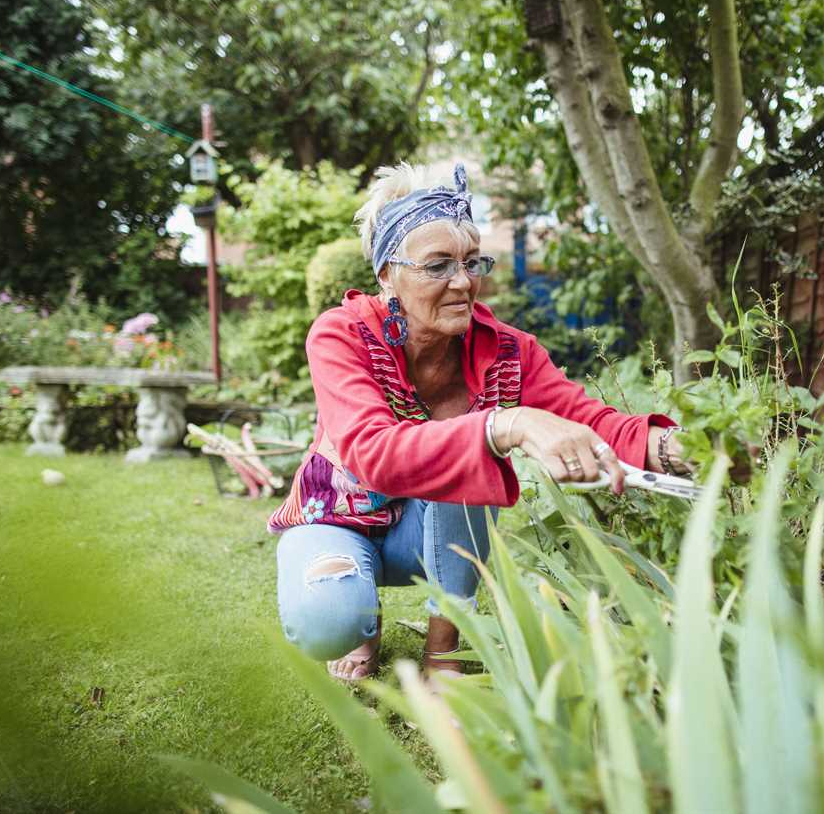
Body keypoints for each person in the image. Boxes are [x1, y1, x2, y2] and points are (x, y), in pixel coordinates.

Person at [270, 162, 688, 681]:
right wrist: (506, 425)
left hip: (423, 538)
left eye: (472, 262)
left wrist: (676, 448)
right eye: (438, 265)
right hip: (334, 520)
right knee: (330, 621)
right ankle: (360, 621)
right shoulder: (342, 335)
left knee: (468, 468)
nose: (463, 282)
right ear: (387, 275)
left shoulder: (508, 351)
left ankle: (443, 655)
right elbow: (373, 452)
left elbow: (588, 419)